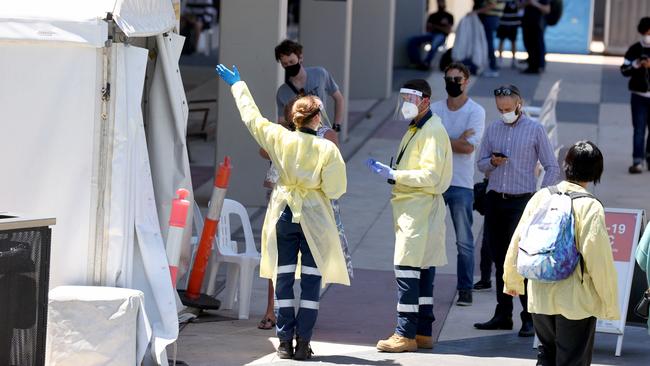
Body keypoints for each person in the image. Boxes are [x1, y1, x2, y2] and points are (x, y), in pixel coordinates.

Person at [215, 64, 350, 360]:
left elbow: (251, 117)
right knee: (312, 279)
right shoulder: (327, 149)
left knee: (284, 277)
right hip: (315, 217)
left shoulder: (279, 137)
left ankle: (285, 342)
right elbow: (336, 189)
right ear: (317, 119)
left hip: (283, 213)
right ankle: (304, 342)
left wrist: (238, 85)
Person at [503, 141, 619, 366]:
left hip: (540, 294)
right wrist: (609, 303)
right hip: (575, 299)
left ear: (566, 166)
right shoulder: (590, 206)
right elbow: (599, 261)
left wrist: (512, 280)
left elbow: (518, 240)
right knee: (572, 359)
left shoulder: (542, 197)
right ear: (596, 171)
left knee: (547, 355)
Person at [366, 79, 452, 352]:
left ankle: (405, 333)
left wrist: (394, 174)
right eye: (402, 99)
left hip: (418, 209)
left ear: (425, 101)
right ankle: (423, 331)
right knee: (423, 270)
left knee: (407, 270)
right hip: (415, 209)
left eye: (409, 99)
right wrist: (394, 174)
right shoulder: (420, 127)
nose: (405, 105)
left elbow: (430, 175)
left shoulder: (432, 131)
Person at [475, 84, 560, 337]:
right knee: (500, 258)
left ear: (519, 104)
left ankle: (529, 317)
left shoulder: (535, 130)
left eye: (508, 108)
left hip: (521, 202)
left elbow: (552, 166)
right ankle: (503, 314)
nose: (504, 113)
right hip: (495, 199)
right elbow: (480, 164)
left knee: (521, 262)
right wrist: (492, 162)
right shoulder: (493, 129)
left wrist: (542, 197)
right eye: (500, 109)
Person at [430, 62, 485, 306]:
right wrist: (455, 139)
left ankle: (465, 289)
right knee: (430, 237)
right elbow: (427, 144)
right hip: (434, 183)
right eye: (449, 78)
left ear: (467, 81)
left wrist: (441, 138)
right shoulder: (434, 109)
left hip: (461, 184)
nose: (453, 83)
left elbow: (468, 147)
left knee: (464, 240)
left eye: (457, 79)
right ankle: (425, 287)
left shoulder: (476, 111)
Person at [275, 40, 345, 132]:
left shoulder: (320, 74)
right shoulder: (282, 92)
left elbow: (339, 98)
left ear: (300, 58)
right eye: (285, 64)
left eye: (292, 62)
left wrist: (336, 126)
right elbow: (281, 121)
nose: (289, 66)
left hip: (322, 136)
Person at [621, 17, 650, 174]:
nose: (647, 35)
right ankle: (637, 161)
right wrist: (635, 64)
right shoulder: (634, 50)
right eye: (645, 32)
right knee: (639, 129)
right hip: (638, 96)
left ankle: (649, 157)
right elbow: (624, 70)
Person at [407, 0, 454, 71]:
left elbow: (448, 31)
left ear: (444, 3)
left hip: (441, 36)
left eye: (441, 2)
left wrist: (435, 26)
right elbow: (427, 28)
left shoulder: (449, 16)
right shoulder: (433, 15)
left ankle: (426, 63)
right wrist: (441, 27)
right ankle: (417, 62)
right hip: (431, 35)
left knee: (435, 42)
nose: (440, 4)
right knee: (413, 40)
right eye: (438, 2)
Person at [473, 0, 506, 77]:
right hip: (494, 18)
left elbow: (492, 5)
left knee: (488, 43)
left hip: (490, 17)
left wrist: (476, 11)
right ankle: (491, 66)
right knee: (488, 42)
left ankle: (492, 67)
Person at [521, 0, 550, 74]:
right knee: (528, 44)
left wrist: (535, 3)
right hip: (526, 23)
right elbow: (518, 6)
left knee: (538, 45)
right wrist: (527, 3)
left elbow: (547, 10)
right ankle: (531, 66)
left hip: (538, 24)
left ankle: (539, 66)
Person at [497, 0, 523, 68]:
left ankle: (513, 60)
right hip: (503, 22)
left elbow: (521, 6)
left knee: (513, 42)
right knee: (501, 41)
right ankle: (500, 59)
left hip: (513, 23)